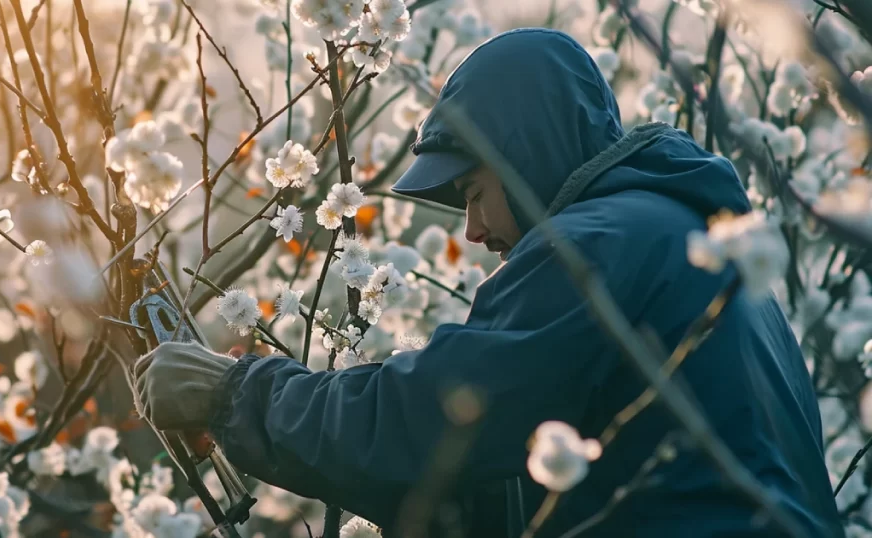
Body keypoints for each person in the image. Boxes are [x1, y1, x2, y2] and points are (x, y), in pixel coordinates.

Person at [134, 28, 844, 537]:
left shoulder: (595, 245)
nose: (472, 231)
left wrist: (236, 393)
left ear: (526, 155)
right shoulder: (682, 241)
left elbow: (435, 416)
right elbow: (514, 472)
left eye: (474, 192)